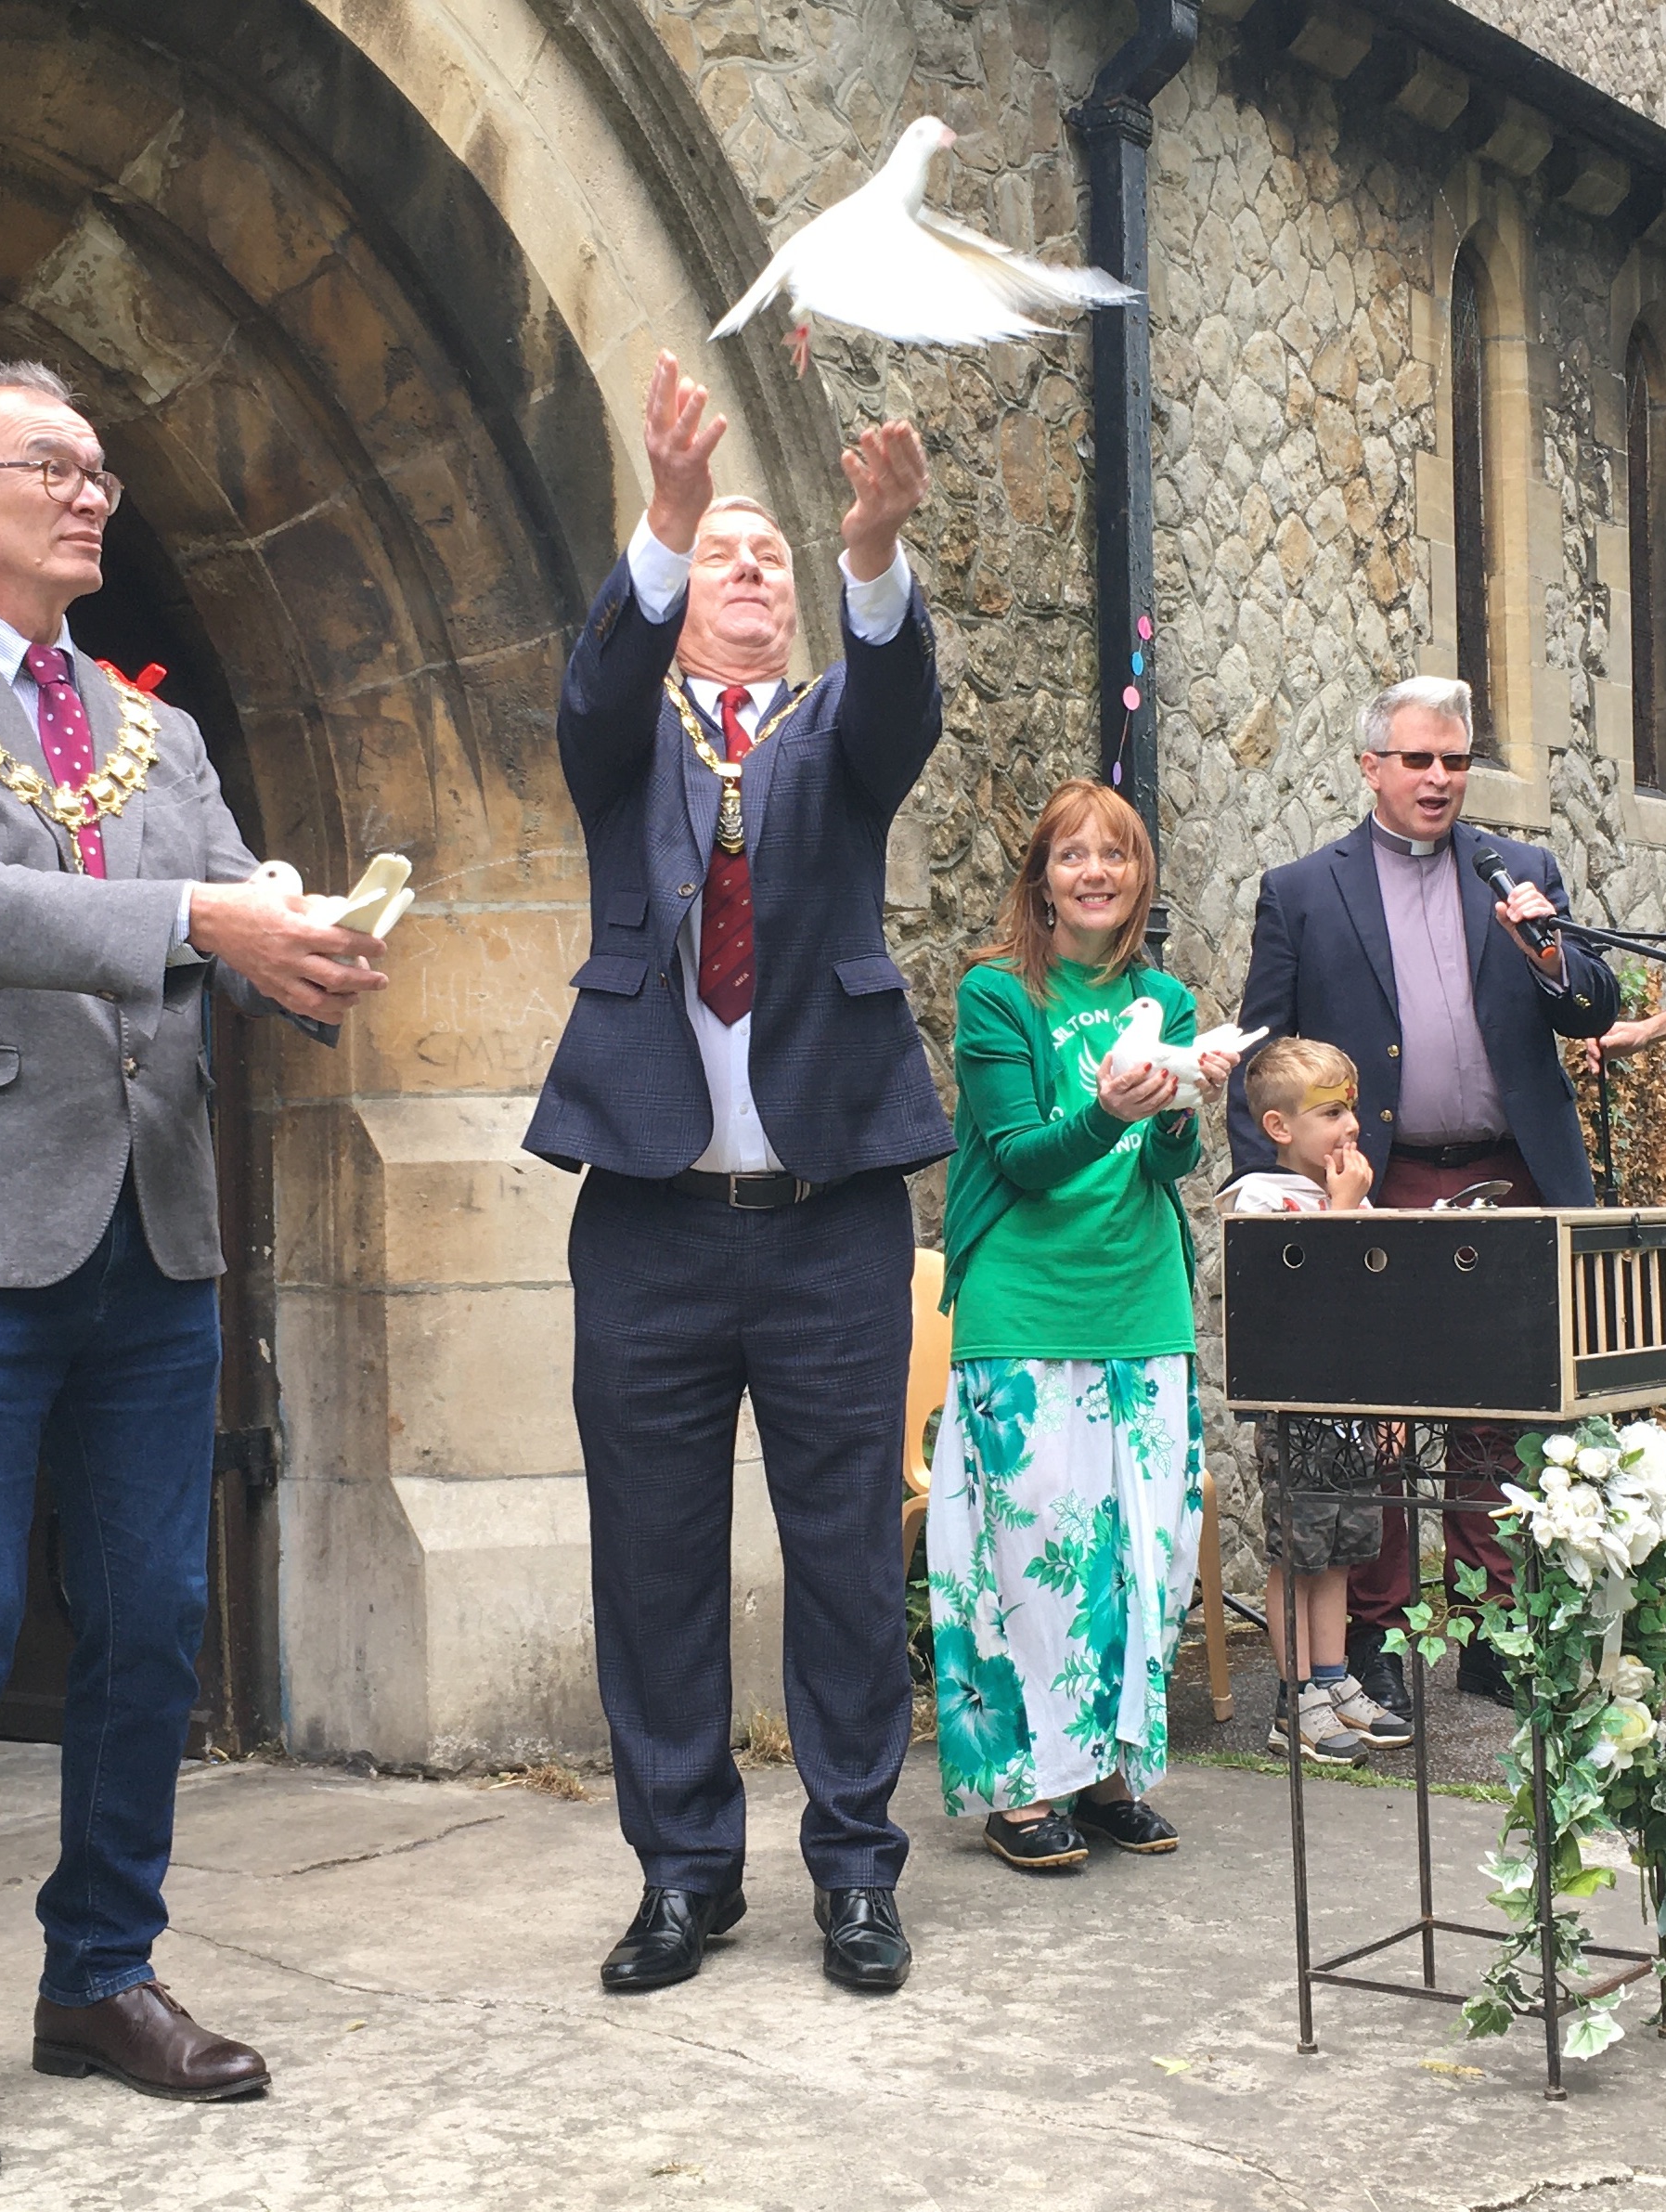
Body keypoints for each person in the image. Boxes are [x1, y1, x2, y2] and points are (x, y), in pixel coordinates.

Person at [0, 360, 386, 2180]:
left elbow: (221, 897)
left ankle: (99, 1976)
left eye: (99, 467)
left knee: (149, 1629)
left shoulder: (161, 735)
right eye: (52, 465)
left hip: (154, 1231)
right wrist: (207, 920)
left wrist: (296, 940)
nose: (94, 491)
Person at [524, 352, 953, 1994]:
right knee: (652, 1558)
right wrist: (672, 513)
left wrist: (871, 550)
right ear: (682, 590)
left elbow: (902, 697)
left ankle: (854, 1867)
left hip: (831, 1212)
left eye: (775, 555)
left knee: (844, 1553)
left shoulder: (839, 730)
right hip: (646, 1218)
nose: (752, 568)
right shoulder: (622, 737)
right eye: (732, 555)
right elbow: (586, 688)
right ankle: (683, 1872)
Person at [1227, 676, 1617, 1717]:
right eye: (1418, 759)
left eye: (1455, 760)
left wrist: (1549, 952)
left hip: (1513, 1167)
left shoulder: (1519, 870)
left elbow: (1588, 1008)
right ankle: (1383, 1631)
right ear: (1371, 767)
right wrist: (1262, 1192)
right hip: (1379, 1176)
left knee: (1505, 1408)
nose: (1440, 778)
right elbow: (1261, 1049)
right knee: (1384, 1413)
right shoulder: (1305, 890)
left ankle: (1498, 1628)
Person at [926, 779, 1235, 1872]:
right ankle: (1021, 1791)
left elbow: (1166, 1167)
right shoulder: (997, 995)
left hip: (1140, 1299)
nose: (1095, 872)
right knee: (1032, 1556)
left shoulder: (1168, 996)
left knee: (1137, 1558)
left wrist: (1179, 1104)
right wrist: (1112, 1104)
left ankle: (1105, 1773)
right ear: (1040, 880)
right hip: (1024, 1304)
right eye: (1072, 856)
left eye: (1115, 855)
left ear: (1140, 876)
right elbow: (1021, 1158)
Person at [1218, 1037, 1411, 1765]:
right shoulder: (1260, 1199)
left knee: (1340, 1552)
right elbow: (1300, 1292)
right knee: (1297, 1554)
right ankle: (1293, 1697)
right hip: (1297, 1408)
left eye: (1351, 1107)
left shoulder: (1343, 1197)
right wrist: (1343, 1209)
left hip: (1350, 1407)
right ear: (1277, 1127)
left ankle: (1333, 1678)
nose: (1350, 1124)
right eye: (1329, 1111)